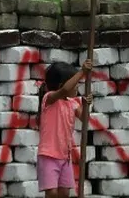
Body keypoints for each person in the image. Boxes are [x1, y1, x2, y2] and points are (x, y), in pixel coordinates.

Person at [37, 59, 93, 198]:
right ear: (62, 85)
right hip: (48, 155)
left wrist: (86, 106)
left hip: (65, 157)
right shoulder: (49, 99)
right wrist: (82, 72)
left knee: (64, 193)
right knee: (52, 193)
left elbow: (85, 119)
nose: (77, 88)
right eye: (76, 84)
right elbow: (65, 90)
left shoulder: (72, 104)